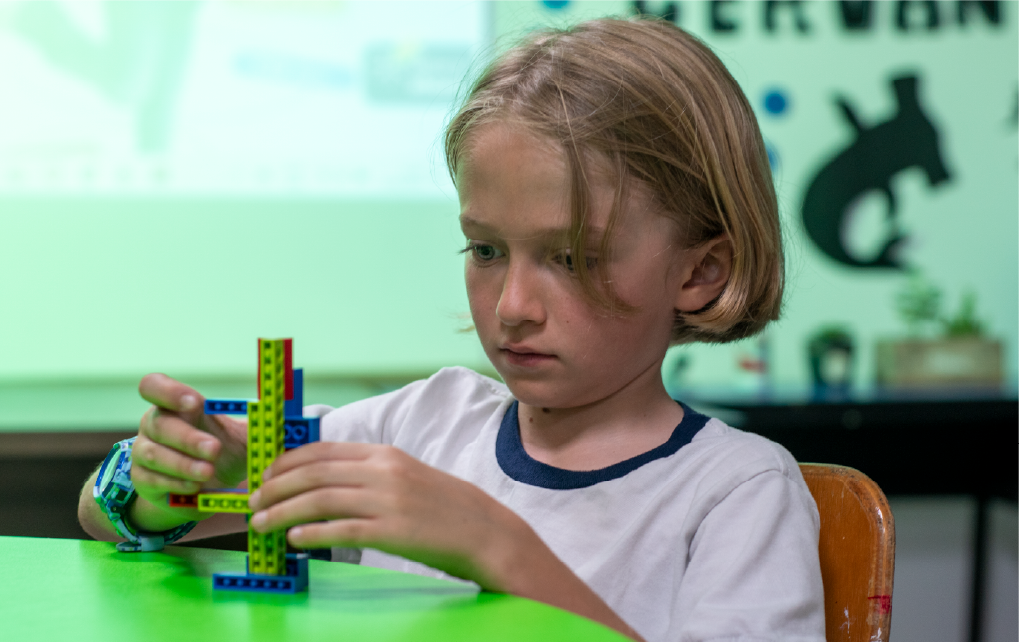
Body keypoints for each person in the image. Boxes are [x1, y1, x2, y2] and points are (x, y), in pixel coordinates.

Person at [78, 17, 824, 642]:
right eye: (487, 250)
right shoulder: (419, 425)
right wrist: (166, 485)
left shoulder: (737, 493)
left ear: (699, 272)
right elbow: (101, 516)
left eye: (571, 257)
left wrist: (495, 547)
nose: (512, 306)